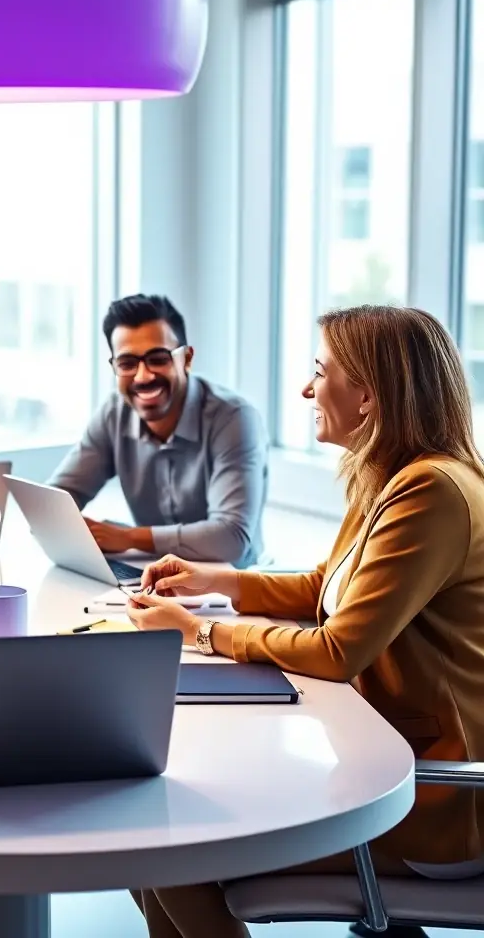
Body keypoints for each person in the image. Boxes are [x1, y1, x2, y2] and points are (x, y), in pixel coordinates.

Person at [126, 305, 484, 938]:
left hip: (431, 805)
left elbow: (339, 649)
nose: (305, 390)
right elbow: (328, 586)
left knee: (162, 840)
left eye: (320, 372)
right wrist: (218, 580)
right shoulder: (394, 475)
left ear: (368, 395)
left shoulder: (430, 492)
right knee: (150, 834)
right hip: (379, 766)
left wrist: (202, 632)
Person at [48, 294, 267, 568]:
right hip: (152, 577)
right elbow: (54, 501)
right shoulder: (113, 414)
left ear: (186, 359)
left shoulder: (234, 418)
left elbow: (230, 538)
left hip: (230, 583)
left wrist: (128, 537)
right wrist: (67, 528)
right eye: (127, 364)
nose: (143, 377)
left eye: (158, 359)